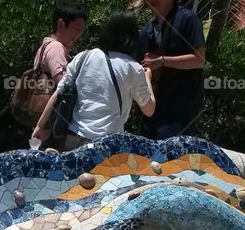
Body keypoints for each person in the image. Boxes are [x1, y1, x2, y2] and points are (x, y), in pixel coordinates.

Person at [32, 12, 156, 151]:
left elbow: (59, 93)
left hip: (73, 136)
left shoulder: (83, 57)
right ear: (133, 37)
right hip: (107, 144)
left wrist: (40, 126)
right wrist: (148, 79)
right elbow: (149, 110)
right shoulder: (134, 69)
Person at [138, 0, 207, 139]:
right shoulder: (147, 29)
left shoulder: (188, 19)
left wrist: (161, 61)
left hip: (180, 107)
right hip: (152, 103)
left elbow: (199, 60)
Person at [35, 0, 88, 85]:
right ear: (61, 24)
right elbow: (64, 85)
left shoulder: (46, 46)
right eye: (77, 29)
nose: (79, 35)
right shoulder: (56, 48)